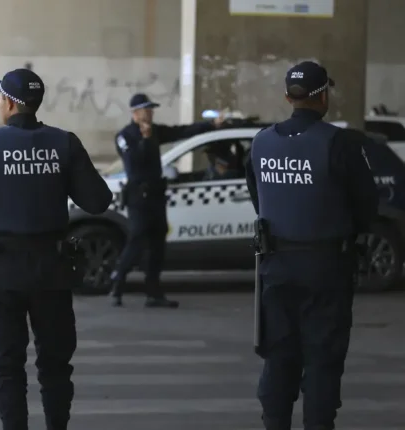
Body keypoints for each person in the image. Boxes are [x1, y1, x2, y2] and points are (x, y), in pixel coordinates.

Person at [0, 68, 112, 430]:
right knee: (56, 365)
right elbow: (98, 200)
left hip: (1, 271)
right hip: (53, 269)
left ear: (9, 103)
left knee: (6, 365)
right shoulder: (65, 142)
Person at [245, 61, 378, 430]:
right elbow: (367, 206)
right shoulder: (340, 143)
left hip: (275, 266)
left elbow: (259, 198)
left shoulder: (261, 141)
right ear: (323, 97)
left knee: (278, 356)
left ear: (288, 97)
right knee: (322, 359)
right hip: (326, 268)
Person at [108, 93, 226, 307]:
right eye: (146, 109)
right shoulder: (125, 136)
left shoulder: (155, 131)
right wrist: (144, 139)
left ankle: (153, 293)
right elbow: (134, 162)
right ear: (135, 113)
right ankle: (118, 281)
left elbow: (182, 131)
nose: (150, 113)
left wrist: (210, 126)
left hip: (156, 195)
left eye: (151, 109)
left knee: (157, 244)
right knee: (137, 238)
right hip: (138, 197)